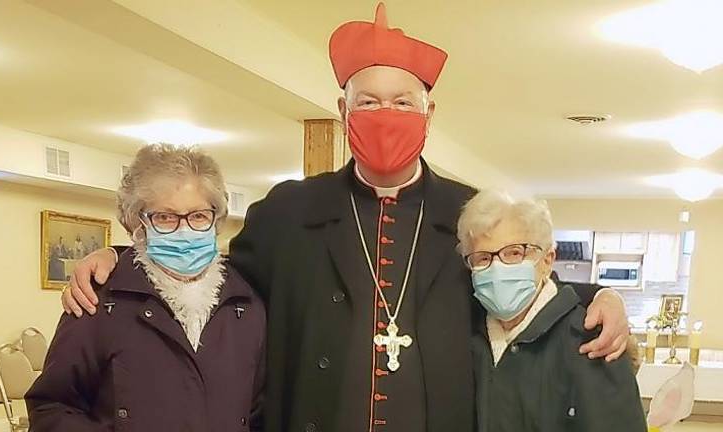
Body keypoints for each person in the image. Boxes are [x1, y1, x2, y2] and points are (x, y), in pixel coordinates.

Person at [61, 4, 630, 431]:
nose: (386, 115)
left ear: (430, 112)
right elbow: (210, 278)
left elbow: (523, 279)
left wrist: (602, 294)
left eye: (403, 102)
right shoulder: (288, 211)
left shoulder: (468, 210)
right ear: (343, 112)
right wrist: (123, 255)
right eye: (368, 101)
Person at [26, 144, 266, 432]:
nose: (184, 230)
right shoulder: (99, 301)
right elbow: (51, 406)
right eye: (164, 217)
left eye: (199, 215)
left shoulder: (247, 303)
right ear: (136, 223)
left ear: (217, 219)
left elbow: (260, 411)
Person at [458, 190, 646, 432]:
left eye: (514, 252)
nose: (497, 268)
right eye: (483, 258)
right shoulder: (465, 334)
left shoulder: (592, 341)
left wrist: (608, 294)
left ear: (547, 259)